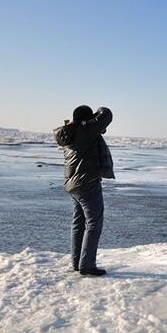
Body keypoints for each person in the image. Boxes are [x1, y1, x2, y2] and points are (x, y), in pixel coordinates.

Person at [53, 105, 115, 276]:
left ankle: (77, 262)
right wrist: (98, 111)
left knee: (79, 222)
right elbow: (107, 114)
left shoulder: (70, 132)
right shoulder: (85, 130)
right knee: (94, 222)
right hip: (87, 182)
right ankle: (87, 265)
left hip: (74, 184)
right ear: (87, 120)